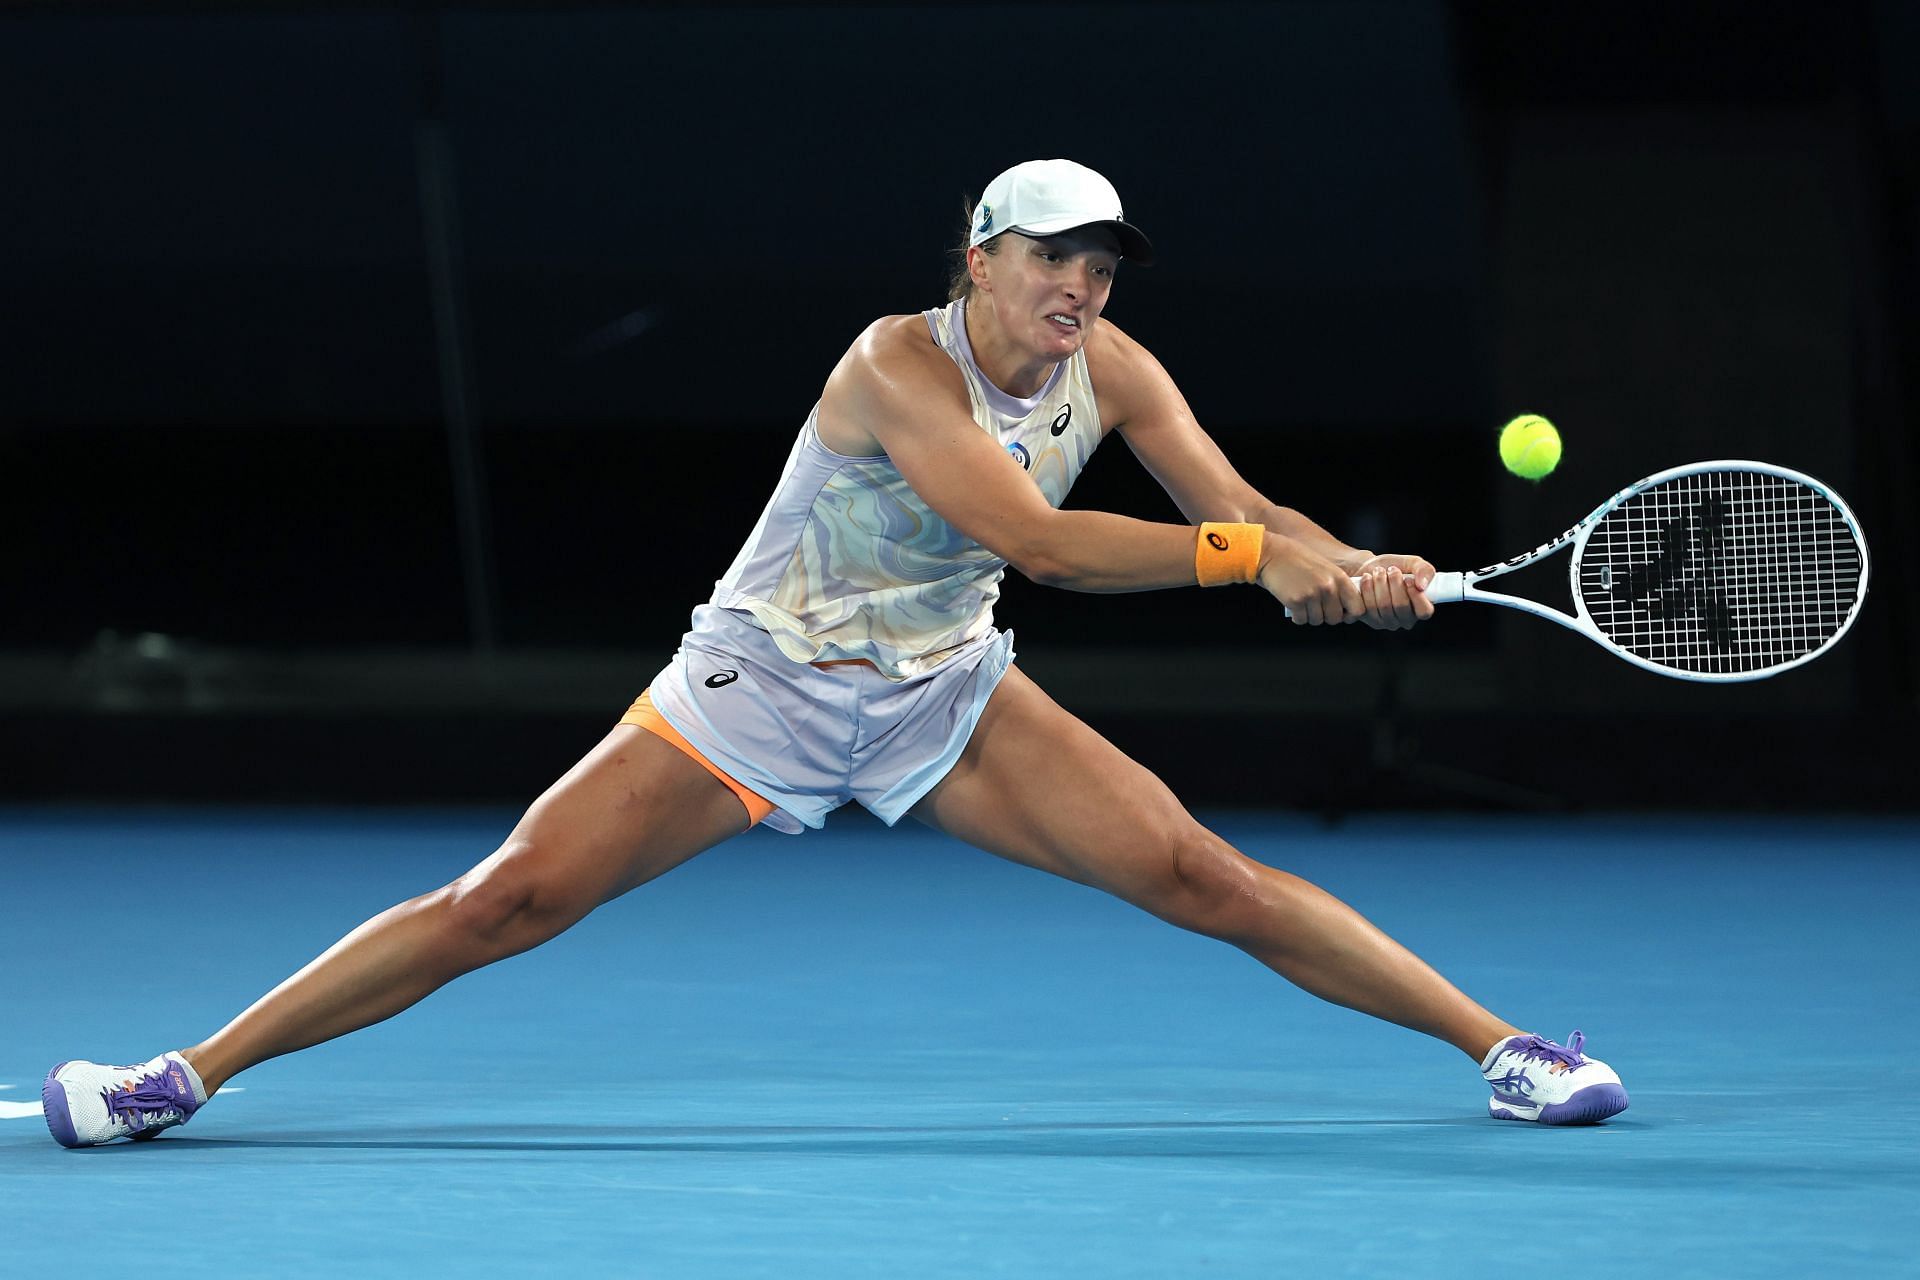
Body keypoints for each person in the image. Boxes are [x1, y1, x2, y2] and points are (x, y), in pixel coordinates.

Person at [42, 159, 1627, 1147]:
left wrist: (1347, 568)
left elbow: (1238, 505)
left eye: (1103, 264)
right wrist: (1252, 563)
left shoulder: (1117, 365)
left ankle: (1507, 1053)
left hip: (946, 693)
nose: (1081, 286)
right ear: (980, 263)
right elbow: (1048, 543)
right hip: (763, 686)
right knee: (503, 900)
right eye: (1053, 259)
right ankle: (185, 1073)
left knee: (1205, 876)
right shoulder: (892, 364)